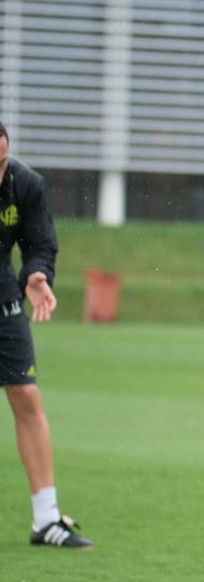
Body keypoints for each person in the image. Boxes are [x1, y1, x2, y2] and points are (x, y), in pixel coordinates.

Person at [0, 121, 93, 547]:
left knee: (26, 396)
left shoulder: (26, 185)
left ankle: (46, 520)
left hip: (4, 301)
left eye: (2, 161)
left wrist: (36, 274)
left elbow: (40, 244)